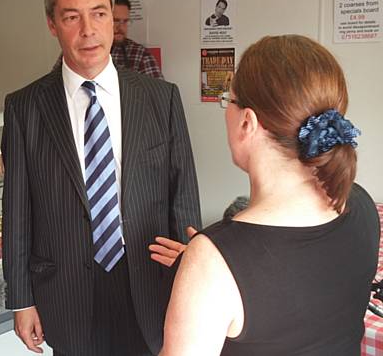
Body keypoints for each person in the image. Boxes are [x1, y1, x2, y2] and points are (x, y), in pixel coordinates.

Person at [2, 0, 201, 356]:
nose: (88, 30)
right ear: (52, 24)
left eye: (98, 13)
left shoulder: (160, 98)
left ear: (113, 17)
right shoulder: (26, 107)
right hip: (67, 293)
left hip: (150, 281)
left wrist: (192, 280)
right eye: (72, 17)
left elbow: (184, 199)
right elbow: (17, 210)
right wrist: (21, 300)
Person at [160, 35, 379, 356]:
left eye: (228, 100)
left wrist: (206, 273)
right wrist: (207, 275)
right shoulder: (361, 204)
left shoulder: (213, 264)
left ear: (247, 122)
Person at [53, 0, 164, 79]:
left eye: (125, 21)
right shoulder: (80, 51)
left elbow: (158, 98)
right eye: (116, 20)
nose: (120, 27)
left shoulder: (140, 56)